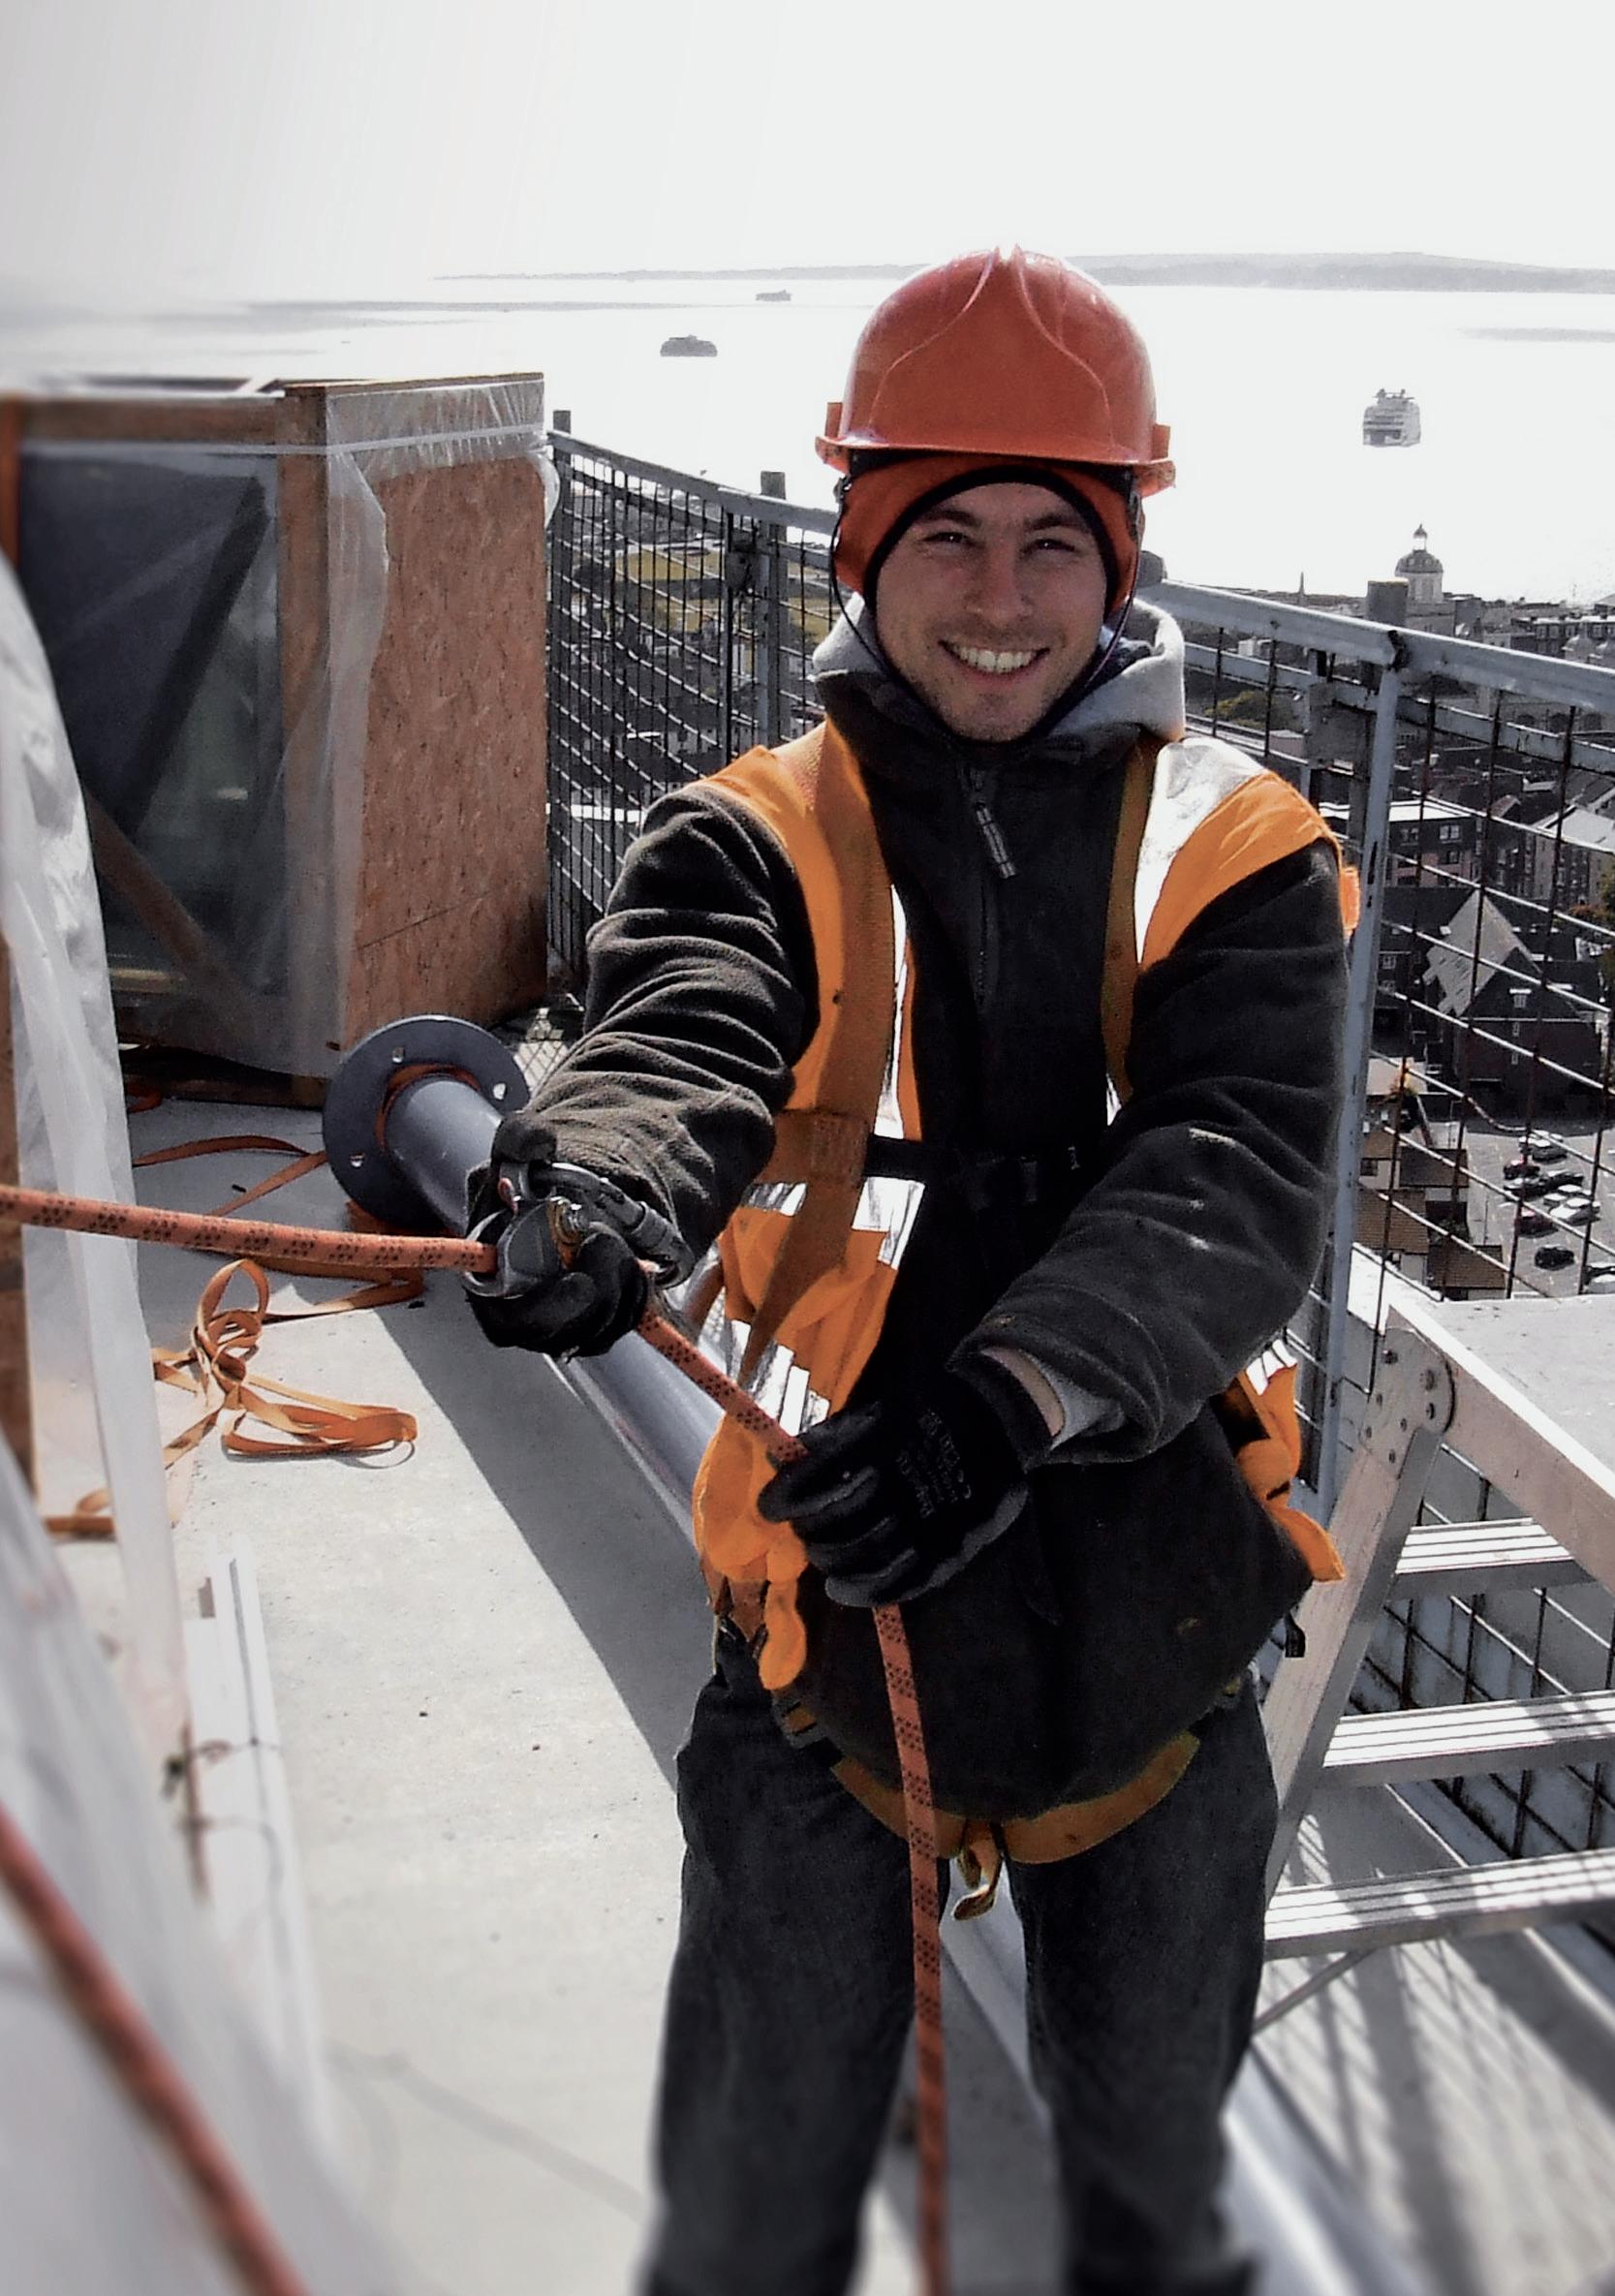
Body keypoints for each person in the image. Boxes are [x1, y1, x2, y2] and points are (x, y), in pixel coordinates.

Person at [466, 247, 1351, 2296]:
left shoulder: (1234, 845)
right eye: (947, 534)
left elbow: (1229, 1167)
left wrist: (1003, 1407)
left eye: (1053, 541)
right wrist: (594, 1189)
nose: (1000, 595)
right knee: (757, 2188)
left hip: (1147, 1600)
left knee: (1153, 2182)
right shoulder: (762, 831)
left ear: (1120, 562)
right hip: (826, 1605)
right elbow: (680, 1029)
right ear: (863, 547)